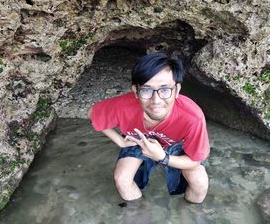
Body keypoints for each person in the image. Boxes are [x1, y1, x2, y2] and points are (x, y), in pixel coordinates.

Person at [87, 52, 210, 203]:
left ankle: (187, 214)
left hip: (177, 143)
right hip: (139, 140)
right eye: (146, 90)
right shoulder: (124, 106)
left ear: (177, 90)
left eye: (165, 90)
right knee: (122, 179)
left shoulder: (192, 116)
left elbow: (195, 161)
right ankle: (140, 213)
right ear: (136, 92)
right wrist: (120, 141)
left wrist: (162, 158)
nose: (156, 100)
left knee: (200, 181)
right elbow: (92, 113)